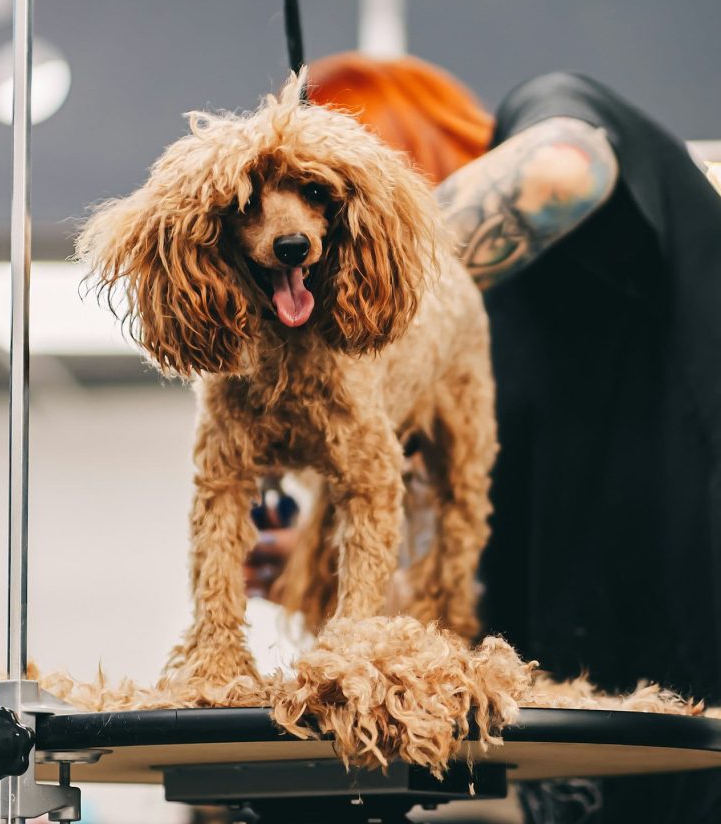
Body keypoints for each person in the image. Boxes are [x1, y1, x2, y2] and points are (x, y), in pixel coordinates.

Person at [246, 52, 721, 823]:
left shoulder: (553, 116)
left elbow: (563, 172)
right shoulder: (452, 396)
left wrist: (354, 294)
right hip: (609, 761)